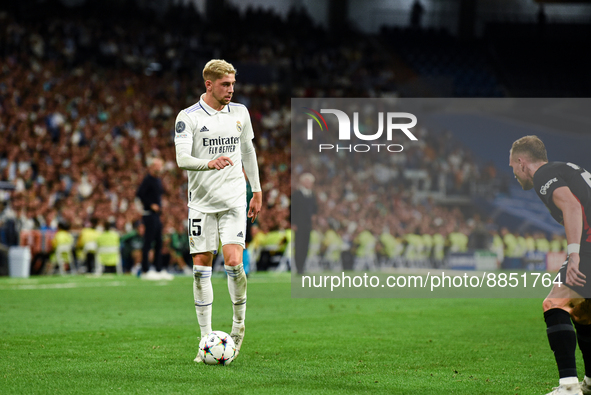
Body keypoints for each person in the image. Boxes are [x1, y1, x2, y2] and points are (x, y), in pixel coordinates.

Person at [174, 59, 262, 362]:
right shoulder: (189, 118)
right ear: (208, 84)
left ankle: (238, 328)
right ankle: (205, 339)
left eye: (233, 84)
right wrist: (207, 163)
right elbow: (182, 159)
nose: (231, 90)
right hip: (201, 203)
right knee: (201, 270)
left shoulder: (240, 113)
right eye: (226, 84)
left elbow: (248, 152)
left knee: (234, 263)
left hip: (235, 200)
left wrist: (257, 190)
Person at [509, 135, 591, 395]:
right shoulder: (566, 169)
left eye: (512, 167)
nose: (513, 173)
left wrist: (574, 253)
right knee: (583, 312)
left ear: (522, 162)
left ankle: (568, 387)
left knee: (555, 304)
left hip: (588, 244)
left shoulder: (544, 174)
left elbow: (572, 207)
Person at [136, 158, 173, 280]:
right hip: (148, 214)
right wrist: (150, 204)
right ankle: (145, 270)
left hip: (156, 215)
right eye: (158, 166)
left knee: (158, 242)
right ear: (152, 167)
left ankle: (158, 269)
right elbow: (140, 193)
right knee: (148, 242)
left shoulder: (158, 180)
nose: (160, 168)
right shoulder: (148, 179)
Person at [291, 173, 317, 275]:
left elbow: (314, 208)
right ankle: (298, 267)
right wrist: (293, 223)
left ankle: (302, 266)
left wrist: (314, 215)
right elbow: (293, 209)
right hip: (299, 224)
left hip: (307, 224)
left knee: (306, 245)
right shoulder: (297, 194)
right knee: (299, 245)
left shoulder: (312, 195)